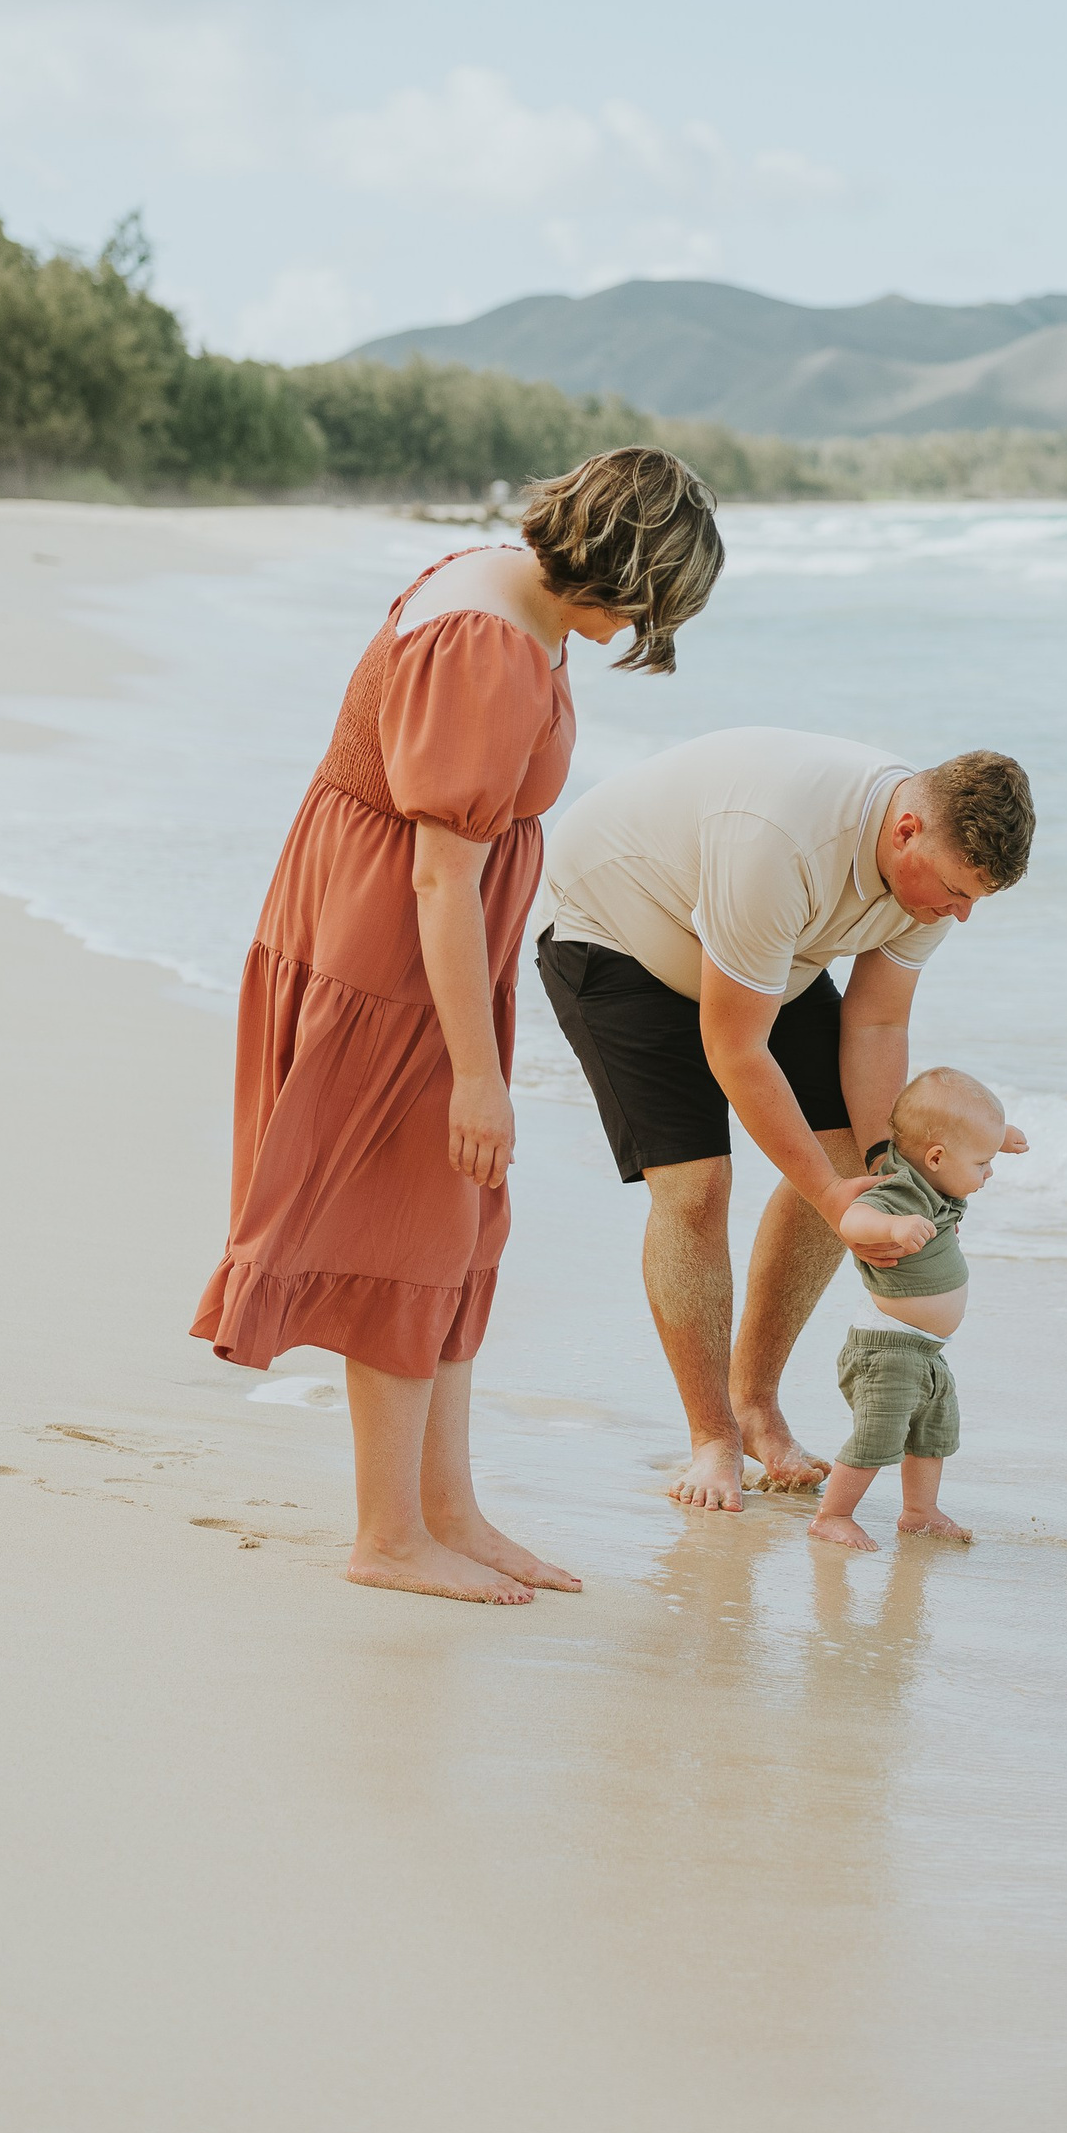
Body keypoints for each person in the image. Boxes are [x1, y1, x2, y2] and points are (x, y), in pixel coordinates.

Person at [191, 449, 725, 1606]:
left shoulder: (510, 586)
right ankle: (387, 1533)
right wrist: (477, 1076)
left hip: (419, 947)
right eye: (647, 603)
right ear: (618, 564)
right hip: (394, 952)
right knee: (408, 1223)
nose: (637, 630)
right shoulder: (488, 642)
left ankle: (446, 1509)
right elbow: (439, 875)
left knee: (458, 1227)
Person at [534, 731, 1035, 1510]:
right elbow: (735, 1050)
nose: (960, 914)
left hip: (762, 950)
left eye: (976, 899)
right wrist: (832, 1199)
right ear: (907, 829)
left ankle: (756, 1406)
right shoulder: (779, 843)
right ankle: (712, 1439)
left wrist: (891, 1176)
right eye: (955, 891)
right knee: (698, 1184)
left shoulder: (932, 879)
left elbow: (876, 1024)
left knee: (853, 1158)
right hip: (617, 929)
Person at [811, 1066, 1017, 1554]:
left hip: (925, 1349)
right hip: (887, 1349)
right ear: (937, 1157)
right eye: (982, 1162)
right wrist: (892, 1229)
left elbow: (957, 1146)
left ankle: (920, 1512)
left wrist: (995, 1137)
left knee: (932, 1433)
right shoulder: (903, 1191)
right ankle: (833, 1516)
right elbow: (854, 1217)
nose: (989, 1173)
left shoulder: (938, 1184)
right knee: (877, 1435)